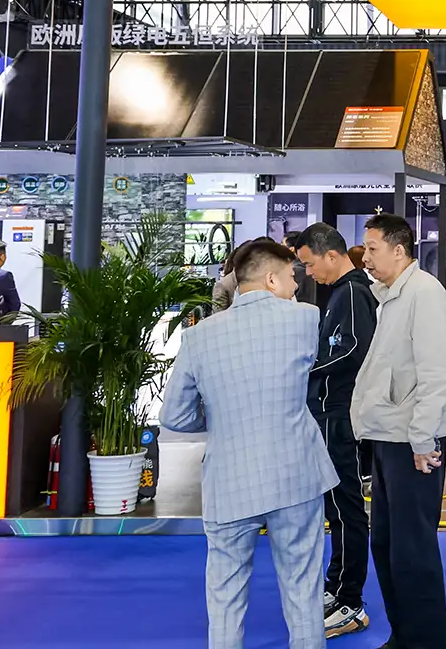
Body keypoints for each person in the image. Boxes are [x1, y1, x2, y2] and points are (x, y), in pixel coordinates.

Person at [160, 238, 337, 649]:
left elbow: (174, 417)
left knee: (225, 593)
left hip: (229, 479)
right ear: (272, 279)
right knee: (303, 587)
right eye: (291, 276)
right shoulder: (304, 318)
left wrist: (220, 418)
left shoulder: (199, 337)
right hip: (295, 475)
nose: (296, 285)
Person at [351, 214, 446, 649]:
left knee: (413, 549)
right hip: (388, 435)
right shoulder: (390, 296)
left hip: (412, 441)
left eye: (372, 249)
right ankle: (404, 635)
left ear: (399, 250)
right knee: (388, 544)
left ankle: (425, 641)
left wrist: (423, 439)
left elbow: (437, 372)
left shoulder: (424, 294)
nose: (365, 257)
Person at [294, 223, 379, 640]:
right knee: (336, 508)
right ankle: (338, 587)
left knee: (345, 508)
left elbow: (353, 349)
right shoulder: (342, 293)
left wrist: (303, 369)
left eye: (310, 264)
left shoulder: (352, 292)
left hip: (337, 414)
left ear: (331, 255)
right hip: (329, 412)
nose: (308, 273)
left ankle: (350, 602)